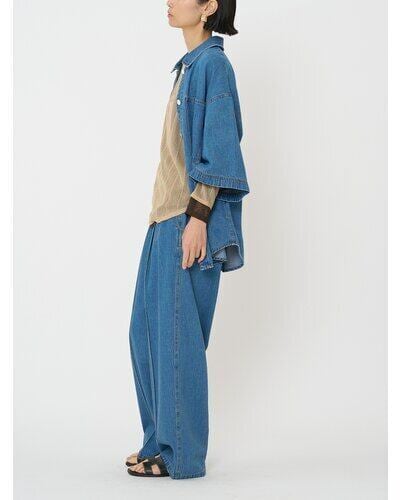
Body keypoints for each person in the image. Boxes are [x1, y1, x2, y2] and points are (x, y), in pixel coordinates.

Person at [126, 0, 250, 479]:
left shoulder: (213, 66)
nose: (170, 1)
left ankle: (181, 455)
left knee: (178, 340)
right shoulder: (187, 68)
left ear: (209, 7)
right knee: (146, 334)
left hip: (187, 218)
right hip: (162, 219)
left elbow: (220, 147)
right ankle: (157, 441)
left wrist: (199, 216)